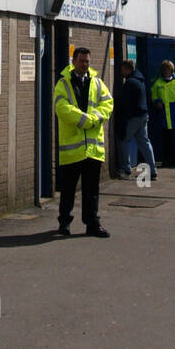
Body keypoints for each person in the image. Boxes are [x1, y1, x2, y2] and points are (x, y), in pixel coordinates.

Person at [54, 47, 114, 236]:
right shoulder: (63, 83)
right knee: (68, 190)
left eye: (87, 61)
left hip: (93, 149)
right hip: (72, 148)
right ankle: (64, 223)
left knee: (92, 190)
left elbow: (108, 103)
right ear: (74, 61)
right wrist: (85, 120)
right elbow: (62, 107)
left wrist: (95, 117)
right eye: (81, 61)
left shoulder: (97, 83)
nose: (85, 65)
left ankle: (92, 223)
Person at [114, 59, 157, 180]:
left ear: (128, 69)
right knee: (144, 142)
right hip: (143, 115)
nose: (121, 72)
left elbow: (125, 102)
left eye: (122, 69)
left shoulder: (130, 82)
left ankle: (126, 170)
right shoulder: (140, 80)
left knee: (123, 140)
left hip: (134, 117)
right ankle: (153, 171)